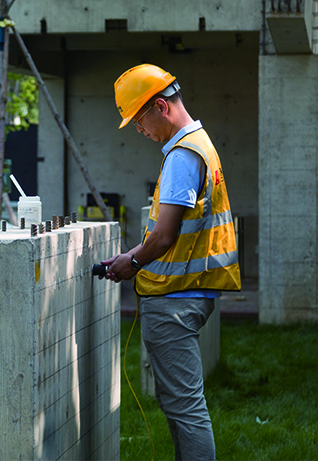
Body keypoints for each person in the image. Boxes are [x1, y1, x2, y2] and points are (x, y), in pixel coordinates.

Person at [101, 64, 241, 461]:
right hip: (189, 293)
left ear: (160, 107)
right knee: (181, 405)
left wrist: (131, 261)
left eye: (138, 121)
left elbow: (164, 236)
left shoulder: (182, 156)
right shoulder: (201, 143)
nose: (138, 130)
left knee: (185, 407)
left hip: (175, 299)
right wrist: (132, 255)